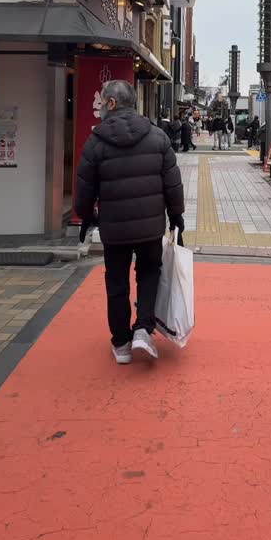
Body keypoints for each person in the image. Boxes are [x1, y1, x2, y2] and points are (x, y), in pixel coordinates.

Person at [75, 79, 184, 365]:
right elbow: (173, 182)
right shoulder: (157, 136)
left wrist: (86, 216)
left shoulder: (96, 141)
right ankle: (143, 329)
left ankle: (121, 343)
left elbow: (85, 186)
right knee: (149, 273)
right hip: (150, 226)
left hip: (114, 228)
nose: (100, 107)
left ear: (111, 103)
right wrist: (176, 215)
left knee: (117, 282)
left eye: (103, 102)